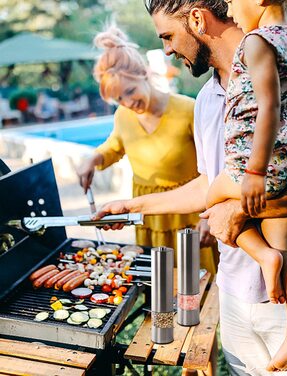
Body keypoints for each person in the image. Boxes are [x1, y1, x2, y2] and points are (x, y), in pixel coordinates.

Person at [94, 1, 287, 374]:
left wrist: (242, 210)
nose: (167, 49)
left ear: (197, 19)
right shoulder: (205, 98)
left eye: (168, 36)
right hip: (235, 290)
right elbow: (210, 183)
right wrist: (132, 206)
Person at [205, 0, 287, 370]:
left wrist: (253, 172)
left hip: (261, 163)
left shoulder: (256, 42)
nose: (231, 11)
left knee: (211, 200)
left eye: (234, 2)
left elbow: (269, 105)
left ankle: (261, 254)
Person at [77, 25, 218, 273]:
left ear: (143, 73)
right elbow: (115, 146)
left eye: (130, 92)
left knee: (195, 285)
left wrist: (210, 215)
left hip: (189, 214)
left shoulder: (187, 110)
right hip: (148, 216)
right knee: (154, 285)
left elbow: (216, 168)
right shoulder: (123, 115)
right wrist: (93, 157)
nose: (129, 103)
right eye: (119, 99)